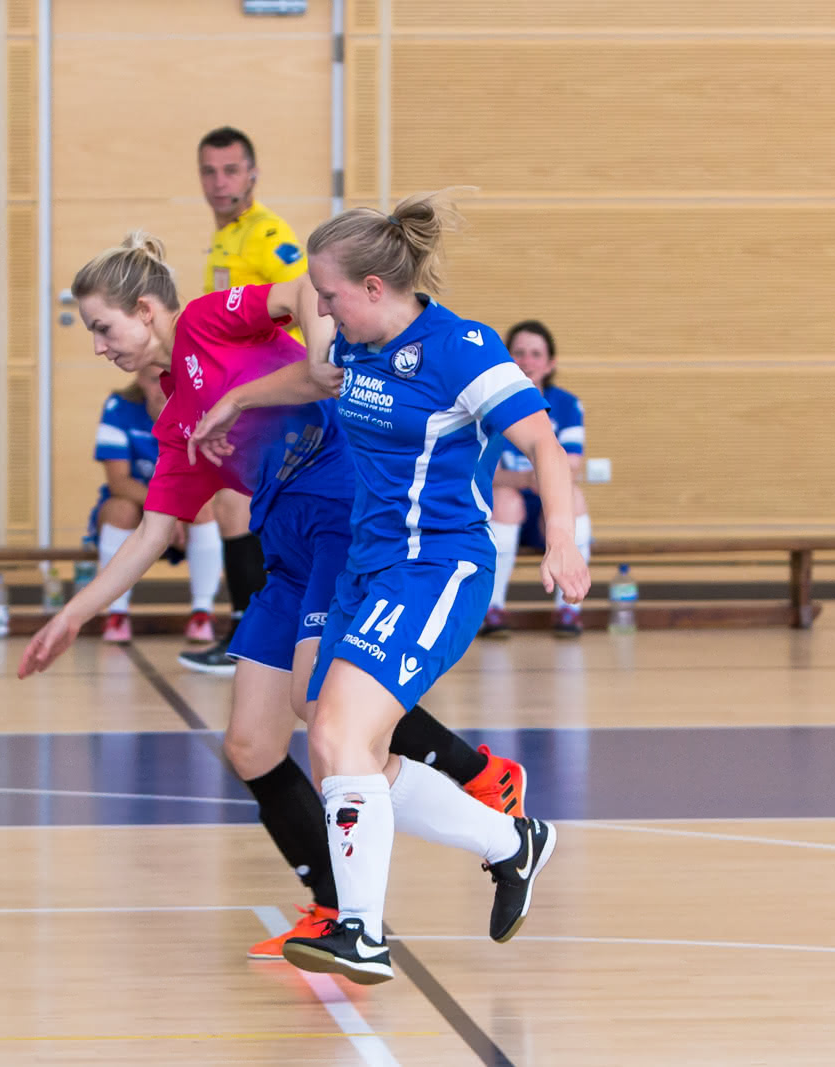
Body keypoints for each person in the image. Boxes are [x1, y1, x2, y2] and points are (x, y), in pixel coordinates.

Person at [19, 234, 530, 963]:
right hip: (285, 554)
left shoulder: (205, 320)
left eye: (103, 327)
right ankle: (404, 871)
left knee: (328, 720)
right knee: (252, 744)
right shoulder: (177, 422)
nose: (99, 346)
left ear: (145, 310)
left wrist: (321, 356)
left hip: (341, 522)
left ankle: (413, 869)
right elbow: (150, 533)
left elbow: (299, 291)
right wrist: (72, 615)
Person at [190, 192, 591, 984]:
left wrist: (563, 540)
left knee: (338, 734)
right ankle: (512, 842)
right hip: (367, 568)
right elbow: (313, 378)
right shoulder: (357, 342)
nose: (320, 309)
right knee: (343, 744)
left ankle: (361, 931)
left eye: (329, 294)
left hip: (437, 567)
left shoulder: (461, 349)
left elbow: (543, 442)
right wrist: (236, 399)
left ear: (374, 288)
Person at [180, 126, 310, 677]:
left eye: (231, 170)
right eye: (209, 171)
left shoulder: (266, 235)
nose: (219, 182)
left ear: (253, 174)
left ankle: (248, 638)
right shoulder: (225, 237)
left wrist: (282, 370)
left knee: (237, 505)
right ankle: (252, 635)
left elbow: (311, 296)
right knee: (235, 506)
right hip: (242, 394)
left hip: (272, 395)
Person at [89, 362, 222, 644]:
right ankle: (117, 613)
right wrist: (165, 512)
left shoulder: (201, 411)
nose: (163, 388)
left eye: (171, 380)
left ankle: (202, 613)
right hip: (137, 506)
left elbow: (204, 481)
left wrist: (173, 515)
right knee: (120, 509)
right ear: (139, 379)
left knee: (203, 508)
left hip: (183, 509)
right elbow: (119, 482)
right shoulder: (118, 408)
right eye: (154, 380)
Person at [480, 320, 592, 637]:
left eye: (535, 354)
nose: (526, 361)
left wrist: (533, 478)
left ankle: (570, 607)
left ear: (550, 364)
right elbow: (483, 472)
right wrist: (530, 477)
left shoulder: (566, 404)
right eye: (518, 353)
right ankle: (493, 609)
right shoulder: (488, 403)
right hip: (503, 508)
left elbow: (571, 466)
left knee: (574, 497)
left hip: (549, 514)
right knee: (505, 501)